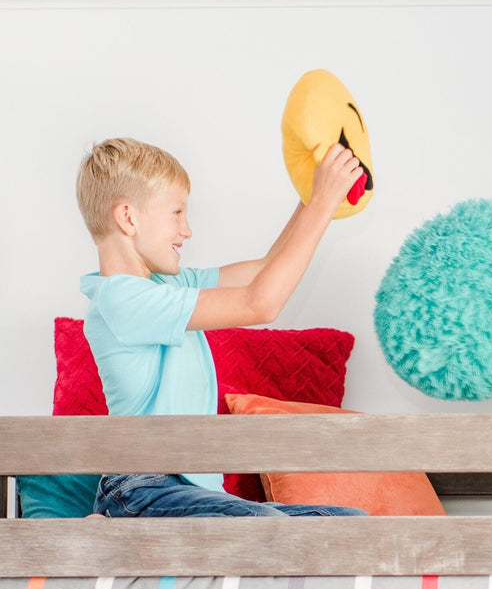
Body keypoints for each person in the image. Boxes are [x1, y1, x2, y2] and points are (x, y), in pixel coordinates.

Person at [77, 137, 367, 518]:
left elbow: (266, 270)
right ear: (128, 218)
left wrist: (313, 196)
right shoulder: (120, 299)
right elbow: (260, 303)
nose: (187, 229)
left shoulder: (169, 284)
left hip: (191, 491)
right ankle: (109, 524)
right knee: (270, 527)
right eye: (177, 212)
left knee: (349, 523)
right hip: (143, 488)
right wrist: (325, 203)